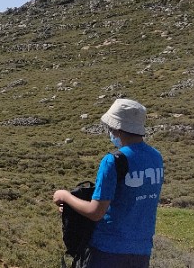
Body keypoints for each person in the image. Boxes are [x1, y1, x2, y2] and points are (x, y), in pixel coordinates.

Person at [53, 99, 164, 267]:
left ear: (117, 128)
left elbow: (96, 212)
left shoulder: (113, 161)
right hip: (141, 252)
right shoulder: (156, 157)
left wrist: (65, 197)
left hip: (107, 250)